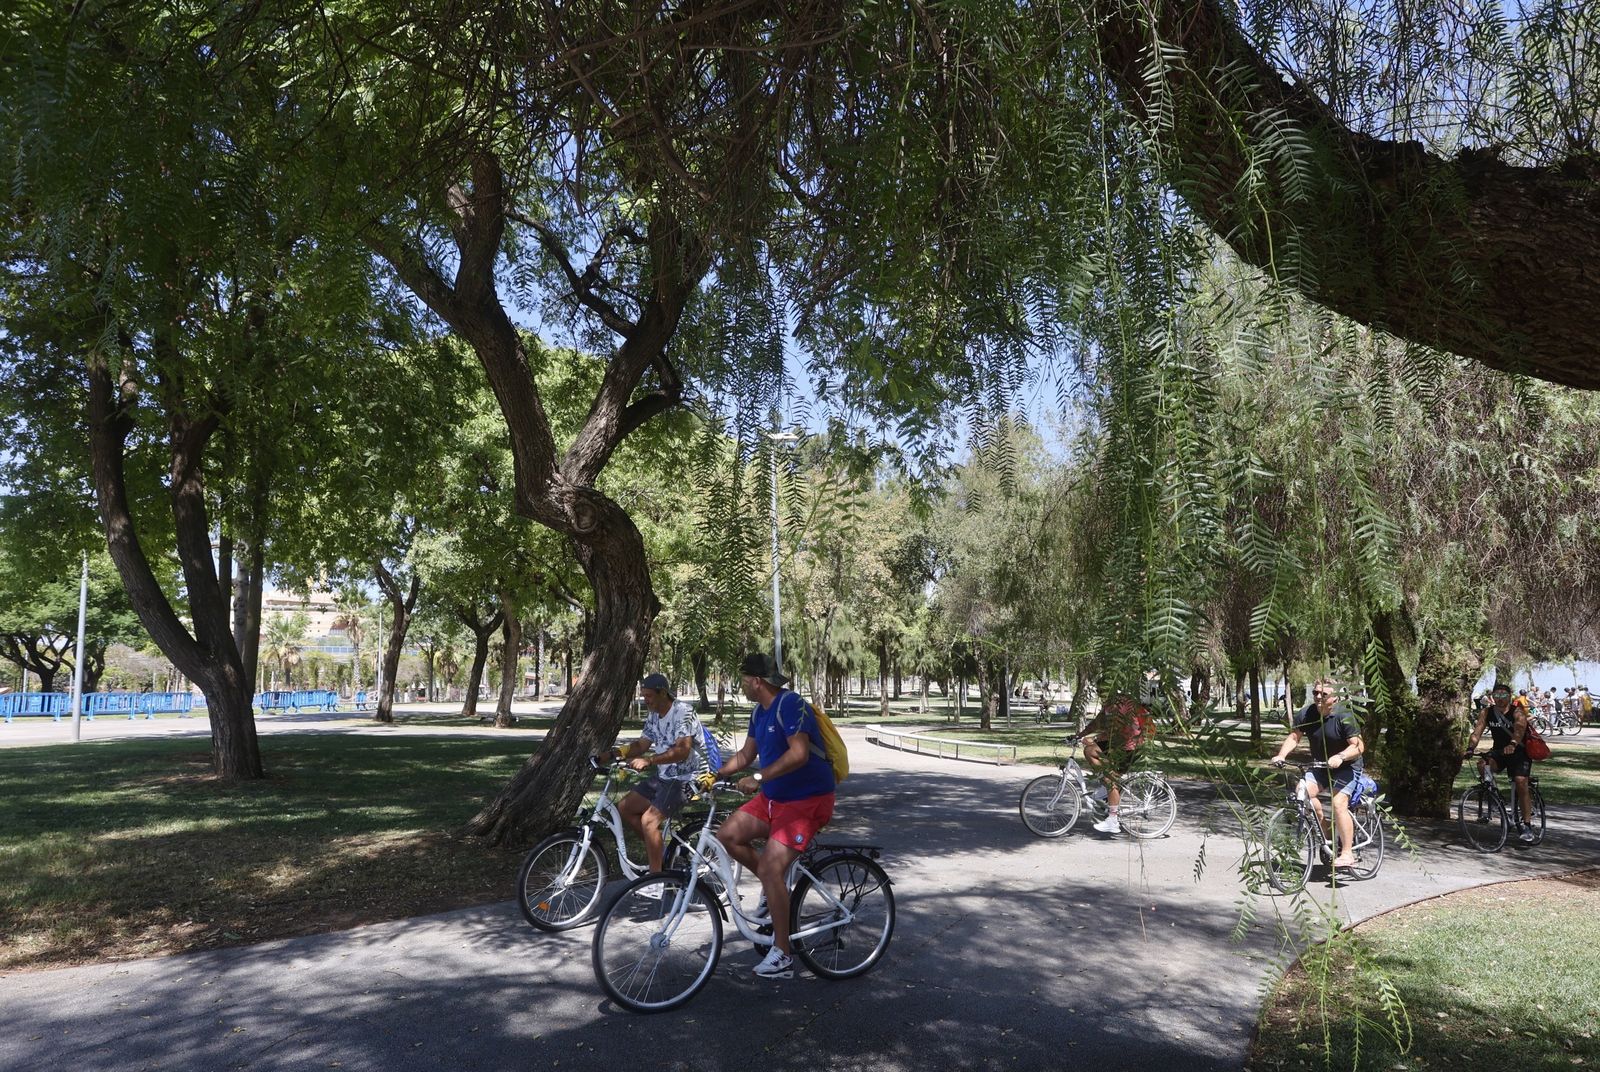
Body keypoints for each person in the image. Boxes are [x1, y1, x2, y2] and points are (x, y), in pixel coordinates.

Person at [714, 652, 837, 980]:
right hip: (774, 798)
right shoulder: (759, 712)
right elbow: (746, 754)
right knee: (727, 835)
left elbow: (799, 754)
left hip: (806, 800)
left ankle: (783, 954)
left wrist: (757, 778)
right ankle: (774, 889)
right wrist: (716, 775)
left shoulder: (790, 704)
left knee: (770, 868)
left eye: (744, 680)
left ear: (757, 681)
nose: (742, 685)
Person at [596, 672, 707, 873]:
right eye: (644, 695)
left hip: (686, 779)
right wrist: (611, 754)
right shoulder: (654, 715)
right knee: (625, 808)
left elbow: (682, 751)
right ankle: (662, 855)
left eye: (648, 696)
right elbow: (641, 745)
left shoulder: (683, 712)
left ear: (663, 693)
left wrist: (649, 760)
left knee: (648, 821)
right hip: (664, 777)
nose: (645, 700)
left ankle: (657, 879)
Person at [1270, 679, 1365, 868]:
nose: (1318, 697)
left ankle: (1347, 853)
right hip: (1321, 766)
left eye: (1324, 694)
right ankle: (1327, 830)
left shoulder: (1345, 716)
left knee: (1338, 804)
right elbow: (1295, 737)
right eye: (1315, 693)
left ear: (1335, 697)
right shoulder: (1308, 713)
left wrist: (1341, 756)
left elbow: (1359, 746)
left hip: (1347, 767)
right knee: (1302, 793)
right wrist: (1281, 755)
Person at [1467, 681, 1538, 843]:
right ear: (1492, 697)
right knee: (1482, 764)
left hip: (1519, 752)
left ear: (1509, 696)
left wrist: (1512, 744)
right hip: (1499, 751)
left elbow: (1519, 729)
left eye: (1503, 695)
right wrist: (1470, 748)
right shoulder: (1487, 712)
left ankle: (1527, 825)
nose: (1500, 698)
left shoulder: (1517, 711)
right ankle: (1495, 798)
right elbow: (1477, 732)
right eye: (1496, 695)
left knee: (1520, 782)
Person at [1080, 692, 1154, 835]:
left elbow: (1121, 728)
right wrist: (1079, 735)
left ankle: (1113, 820)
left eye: (1102, 689)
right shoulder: (1109, 704)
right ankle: (1107, 788)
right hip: (1119, 744)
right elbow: (1098, 722)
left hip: (1129, 745)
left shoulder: (1122, 703)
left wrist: (1094, 739)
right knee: (1091, 753)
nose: (1100, 693)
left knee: (1107, 774)